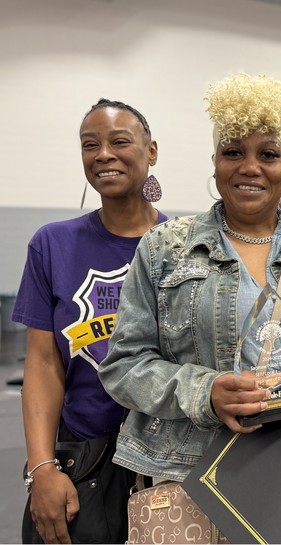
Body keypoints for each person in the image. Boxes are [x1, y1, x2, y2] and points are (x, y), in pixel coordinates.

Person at [99, 73, 281, 491]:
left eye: (267, 153)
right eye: (232, 152)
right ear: (215, 163)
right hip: (194, 473)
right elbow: (124, 364)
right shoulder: (165, 248)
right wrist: (205, 392)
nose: (250, 167)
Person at [13, 98, 167, 543]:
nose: (103, 154)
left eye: (120, 141)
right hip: (84, 459)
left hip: (170, 462)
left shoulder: (183, 245)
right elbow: (43, 364)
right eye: (90, 145)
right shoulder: (53, 245)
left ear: (151, 150)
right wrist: (42, 468)